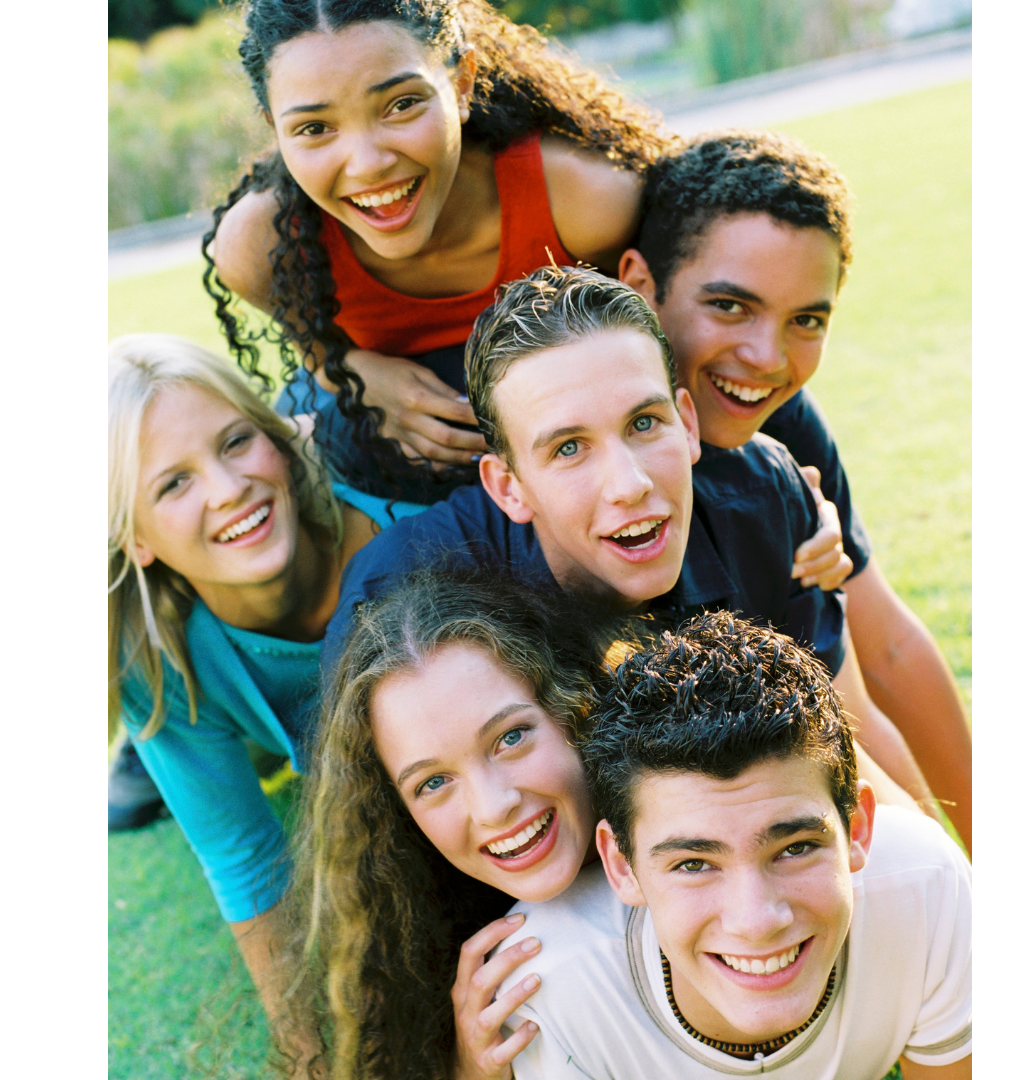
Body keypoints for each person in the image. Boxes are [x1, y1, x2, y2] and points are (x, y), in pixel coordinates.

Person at [325, 265, 935, 805]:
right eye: (569, 448)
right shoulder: (393, 602)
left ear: (688, 423)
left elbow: (846, 742)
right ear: (508, 486)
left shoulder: (760, 497)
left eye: (644, 423)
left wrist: (950, 890)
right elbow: (383, 856)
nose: (630, 483)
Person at [292, 565, 916, 1080]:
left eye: (511, 737)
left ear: (575, 706)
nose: (492, 806)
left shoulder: (715, 767)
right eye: (432, 782)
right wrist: (471, 1069)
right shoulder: (488, 958)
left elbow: (894, 842)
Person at [619, 131, 972, 851]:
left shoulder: (781, 432)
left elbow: (886, 652)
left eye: (806, 320)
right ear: (639, 285)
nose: (768, 359)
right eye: (729, 306)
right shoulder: (585, 464)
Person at [205, 0, 673, 503]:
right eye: (315, 128)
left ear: (461, 82)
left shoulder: (585, 202)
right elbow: (314, 346)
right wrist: (349, 370)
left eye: (401, 104)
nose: (368, 165)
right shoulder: (261, 246)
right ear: (274, 127)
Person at [495, 612, 972, 1079]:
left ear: (857, 827)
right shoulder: (555, 984)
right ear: (622, 865)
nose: (757, 922)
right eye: (694, 864)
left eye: (795, 848)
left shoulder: (925, 886)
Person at [108, 333, 395, 1060]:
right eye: (173, 484)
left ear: (276, 439)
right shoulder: (152, 660)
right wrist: (302, 1051)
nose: (229, 488)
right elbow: (245, 855)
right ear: (136, 539)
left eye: (236, 442)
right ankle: (158, 763)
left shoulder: (401, 537)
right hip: (254, 716)